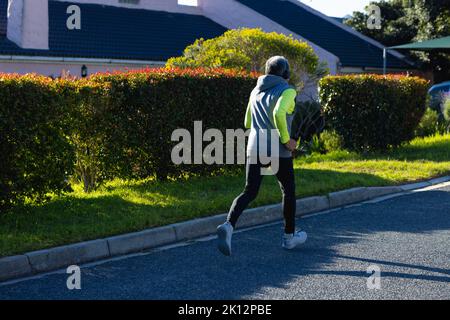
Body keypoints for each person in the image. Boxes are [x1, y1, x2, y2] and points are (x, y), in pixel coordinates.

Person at [216, 56, 307, 256]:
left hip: (255, 147)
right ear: (286, 73)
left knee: (250, 191)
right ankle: (289, 237)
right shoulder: (288, 90)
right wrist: (286, 141)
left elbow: (248, 121)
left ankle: (229, 225)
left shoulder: (255, 90)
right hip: (277, 149)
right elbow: (278, 113)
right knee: (288, 190)